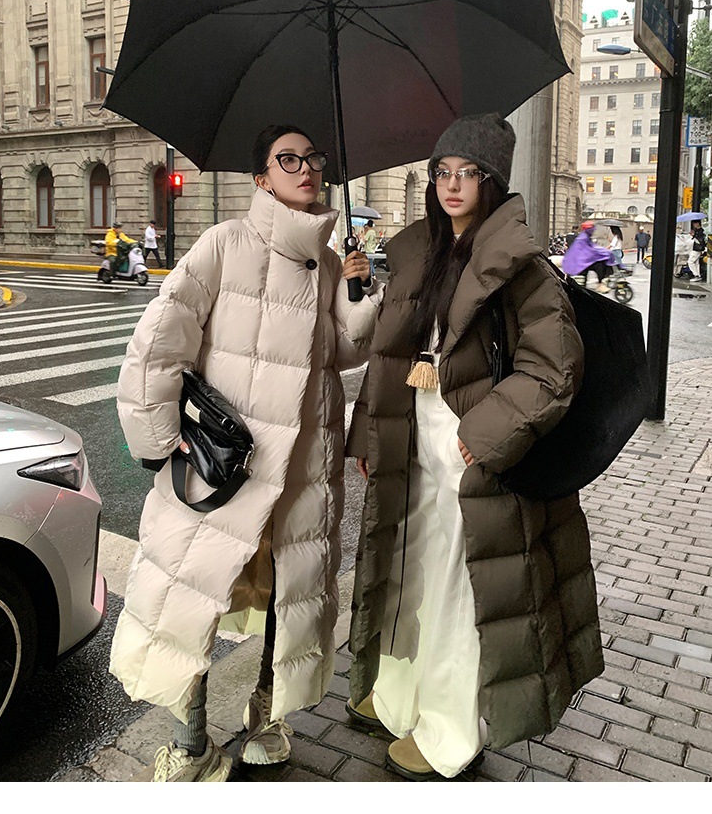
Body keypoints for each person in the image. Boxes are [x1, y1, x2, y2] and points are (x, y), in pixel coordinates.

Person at [110, 125, 382, 783]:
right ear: (261, 178)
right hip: (225, 466)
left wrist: (359, 293)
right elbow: (159, 342)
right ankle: (191, 743)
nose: (306, 168)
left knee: (286, 596)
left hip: (302, 468)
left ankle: (267, 716)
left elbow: (346, 353)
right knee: (195, 596)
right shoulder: (225, 243)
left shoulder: (328, 262)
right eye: (288, 159)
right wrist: (158, 439)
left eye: (313, 158)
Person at [345, 113, 603, 781]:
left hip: (472, 454)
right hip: (413, 445)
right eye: (443, 172)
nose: (452, 184)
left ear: (492, 182)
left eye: (468, 173)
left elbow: (554, 369)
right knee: (412, 572)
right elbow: (387, 355)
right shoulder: (420, 253)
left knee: (462, 590)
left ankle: (450, 731)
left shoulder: (522, 267)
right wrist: (370, 432)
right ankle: (401, 699)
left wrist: (480, 436)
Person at [561, 221, 615, 292]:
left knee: (600, 262)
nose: (593, 231)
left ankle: (599, 283)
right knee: (599, 265)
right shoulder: (583, 238)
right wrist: (602, 253)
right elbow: (588, 251)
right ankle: (600, 284)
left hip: (582, 261)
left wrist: (603, 252)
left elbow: (592, 248)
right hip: (578, 263)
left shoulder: (586, 237)